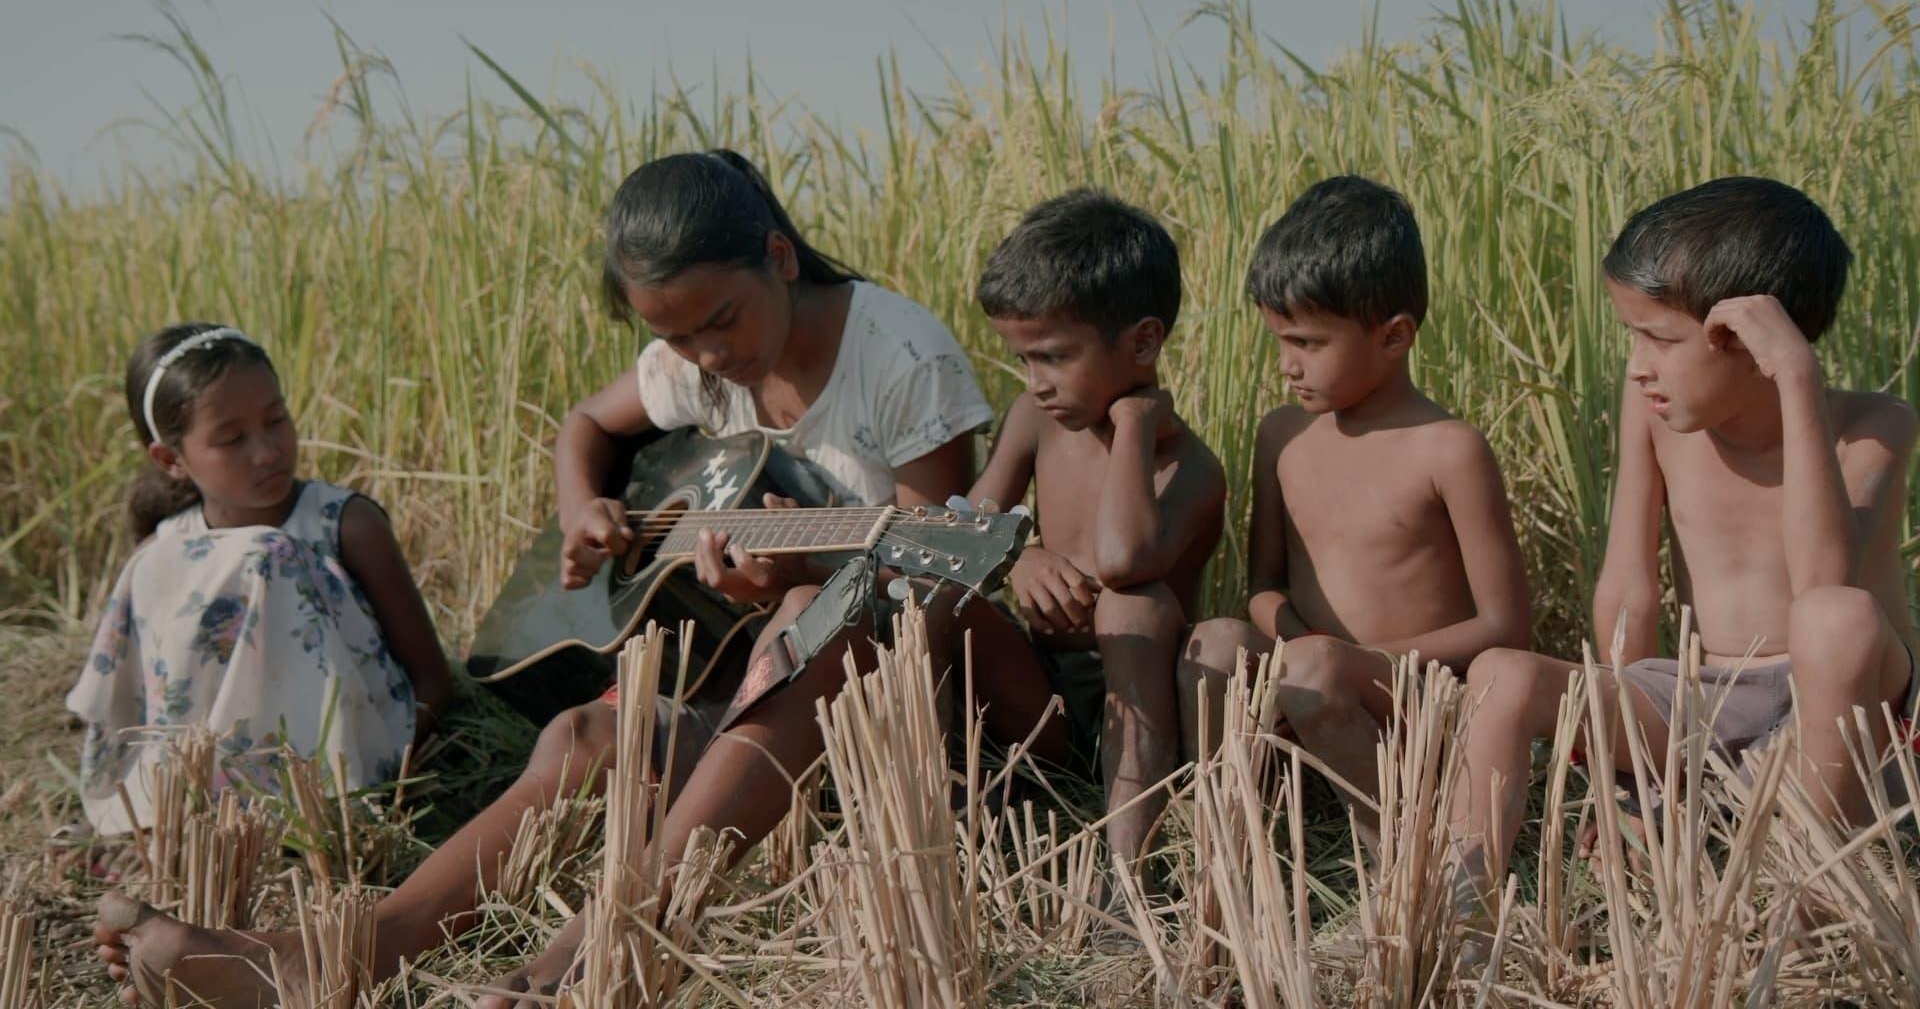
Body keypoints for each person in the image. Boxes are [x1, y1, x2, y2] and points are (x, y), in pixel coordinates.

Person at [92, 150, 999, 1008]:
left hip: (905, 693)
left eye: (719, 323)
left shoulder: (899, 359)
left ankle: (627, 935)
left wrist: (794, 576)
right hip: (765, 671)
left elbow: (926, 587)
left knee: (811, 613)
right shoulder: (702, 362)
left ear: (779, 256)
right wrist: (584, 511)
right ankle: (341, 953)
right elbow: (587, 426)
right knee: (584, 736)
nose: (706, 359)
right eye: (675, 339)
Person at [1447, 176, 1918, 911]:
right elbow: (1629, 588)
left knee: (1838, 619)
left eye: (1660, 339)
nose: (1638, 364)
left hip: (1835, 712)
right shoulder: (1654, 415)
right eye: (1633, 335)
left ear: (1753, 344)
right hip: (1699, 697)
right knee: (1502, 675)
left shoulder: (1875, 426)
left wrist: (1797, 379)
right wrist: (1619, 771)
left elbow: (1824, 580)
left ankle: (1801, 905)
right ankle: (1458, 913)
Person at [1178, 176, 1531, 840]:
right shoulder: (1282, 436)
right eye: (1279, 341)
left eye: (1308, 343)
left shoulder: (1447, 450)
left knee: (1318, 668)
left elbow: (1504, 627)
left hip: (1421, 699)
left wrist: (1347, 658)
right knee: (1215, 642)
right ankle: (1228, 850)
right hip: (1310, 673)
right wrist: (1300, 642)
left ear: (1394, 336)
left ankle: (1398, 857)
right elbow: (1264, 586)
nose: (1287, 364)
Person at [68, 322, 455, 838]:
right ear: (171, 459)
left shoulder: (345, 525)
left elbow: (431, 678)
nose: (268, 450)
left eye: (277, 420)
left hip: (345, 771)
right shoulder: (164, 554)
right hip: (216, 800)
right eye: (232, 438)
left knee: (268, 556)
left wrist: (385, 772)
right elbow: (157, 707)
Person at [962, 187, 1227, 868]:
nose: (1036, 381)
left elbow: (1123, 561)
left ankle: (1128, 872)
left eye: (1053, 356)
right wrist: (1020, 555)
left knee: (1134, 606)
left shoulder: (1190, 469)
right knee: (935, 607)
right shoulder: (1034, 420)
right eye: (1024, 360)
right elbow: (966, 529)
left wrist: (1135, 423)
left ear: (1143, 342)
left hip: (1145, 711)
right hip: (1038, 698)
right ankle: (957, 828)